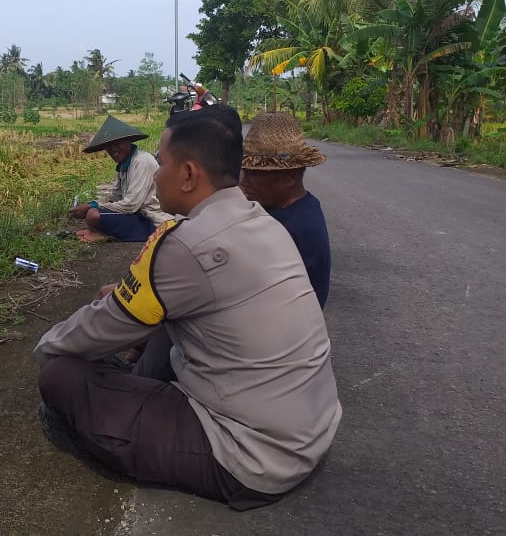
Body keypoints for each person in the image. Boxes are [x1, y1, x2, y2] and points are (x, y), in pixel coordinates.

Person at [36, 106, 341, 509]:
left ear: (189, 174)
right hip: (308, 430)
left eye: (162, 163)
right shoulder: (265, 221)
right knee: (155, 324)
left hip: (252, 457)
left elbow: (99, 327)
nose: (156, 174)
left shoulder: (187, 243)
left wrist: (45, 348)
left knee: (59, 376)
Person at [238, 111, 331, 308]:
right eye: (244, 171)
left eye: (254, 174)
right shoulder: (301, 208)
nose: (244, 181)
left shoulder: (293, 227)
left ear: (290, 177)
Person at [68, 115, 173, 243]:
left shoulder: (141, 162)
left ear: (128, 141)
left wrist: (95, 206)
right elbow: (117, 195)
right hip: (140, 216)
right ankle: (105, 233)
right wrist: (92, 203)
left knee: (93, 215)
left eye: (118, 143)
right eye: (109, 146)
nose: (113, 149)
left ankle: (109, 233)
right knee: (93, 213)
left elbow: (131, 205)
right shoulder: (125, 164)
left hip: (152, 220)